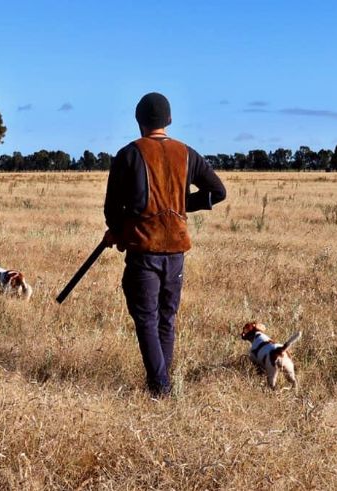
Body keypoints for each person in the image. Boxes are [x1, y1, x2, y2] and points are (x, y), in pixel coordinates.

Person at [103, 92, 226, 397]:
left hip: (144, 250)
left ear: (138, 120)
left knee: (146, 318)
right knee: (166, 319)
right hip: (176, 251)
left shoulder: (129, 154)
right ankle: (161, 384)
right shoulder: (187, 153)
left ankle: (161, 388)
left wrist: (117, 232)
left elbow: (111, 208)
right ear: (168, 120)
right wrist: (183, 203)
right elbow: (217, 191)